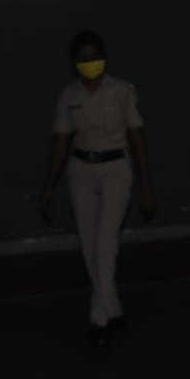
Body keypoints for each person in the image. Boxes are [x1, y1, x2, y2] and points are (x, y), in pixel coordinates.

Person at [42, 30, 156, 347]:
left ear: (103, 58)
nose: (89, 62)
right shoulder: (69, 96)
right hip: (80, 171)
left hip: (116, 170)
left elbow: (137, 136)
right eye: (83, 57)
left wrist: (146, 183)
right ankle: (113, 308)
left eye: (94, 55)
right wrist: (49, 187)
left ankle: (99, 317)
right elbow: (61, 142)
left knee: (106, 242)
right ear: (75, 62)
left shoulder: (122, 91)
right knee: (89, 244)